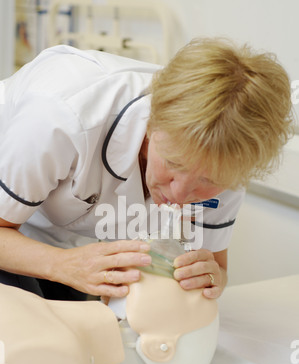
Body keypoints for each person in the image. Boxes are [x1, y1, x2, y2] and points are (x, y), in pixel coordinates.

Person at [0, 38, 293, 301]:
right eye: (174, 164)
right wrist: (62, 265)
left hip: (73, 245)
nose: (179, 195)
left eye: (209, 180)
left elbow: (217, 267)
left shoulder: (231, 158)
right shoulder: (62, 117)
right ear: (152, 123)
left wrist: (209, 277)